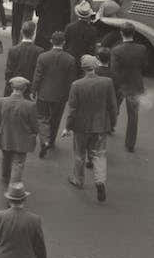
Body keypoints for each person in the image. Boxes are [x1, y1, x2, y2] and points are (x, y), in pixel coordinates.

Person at [64, 54, 118, 202]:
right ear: (95, 66)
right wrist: (112, 123)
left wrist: (67, 127)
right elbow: (113, 106)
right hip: (100, 126)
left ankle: (78, 180)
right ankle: (100, 182)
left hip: (81, 127)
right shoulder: (107, 82)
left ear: (83, 68)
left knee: (79, 154)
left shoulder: (76, 85)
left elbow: (72, 109)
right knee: (99, 155)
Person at [32, 31, 78, 157]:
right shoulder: (70, 59)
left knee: (42, 118)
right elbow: (71, 80)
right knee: (56, 119)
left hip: (44, 93)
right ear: (64, 42)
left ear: (51, 41)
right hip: (60, 95)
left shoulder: (43, 57)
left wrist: (33, 90)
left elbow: (38, 76)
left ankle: (44, 140)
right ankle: (51, 141)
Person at [0, 77, 38, 185]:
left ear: (11, 87)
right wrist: (34, 134)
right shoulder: (30, 105)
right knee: (18, 163)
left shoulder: (1, 102)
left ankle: (5, 178)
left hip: (5, 137)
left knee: (6, 159)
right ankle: (14, 187)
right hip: (22, 140)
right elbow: (35, 126)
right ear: (25, 88)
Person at [110, 22, 148, 152]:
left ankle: (110, 126)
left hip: (121, 84)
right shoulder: (142, 48)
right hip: (135, 84)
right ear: (134, 33)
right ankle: (130, 144)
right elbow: (145, 66)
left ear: (121, 33)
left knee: (114, 107)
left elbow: (114, 71)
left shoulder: (116, 50)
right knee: (133, 116)